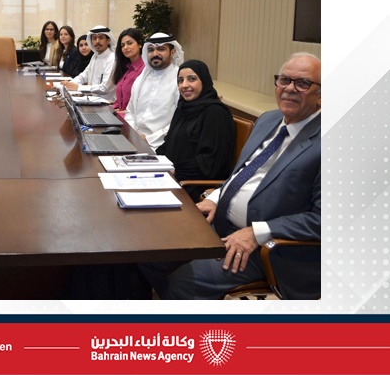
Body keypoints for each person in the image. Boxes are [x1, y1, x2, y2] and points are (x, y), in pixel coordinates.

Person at [140, 53, 321, 300]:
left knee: (182, 283)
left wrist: (257, 232)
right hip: (220, 222)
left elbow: (324, 219)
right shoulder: (269, 119)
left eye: (303, 83)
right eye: (284, 80)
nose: (290, 88)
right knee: (148, 252)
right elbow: (244, 173)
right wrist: (215, 198)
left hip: (266, 248)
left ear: (321, 94)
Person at [156, 60, 234, 202]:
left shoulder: (216, 113)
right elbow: (168, 144)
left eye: (191, 79)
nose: (184, 85)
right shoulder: (183, 107)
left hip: (194, 186)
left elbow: (211, 163)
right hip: (171, 178)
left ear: (204, 81)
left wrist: (175, 170)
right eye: (180, 80)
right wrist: (153, 162)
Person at [124, 32, 184, 149]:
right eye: (150, 50)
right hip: (133, 139)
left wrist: (148, 139)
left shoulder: (180, 80)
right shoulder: (142, 77)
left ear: (172, 52)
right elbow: (130, 111)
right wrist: (133, 134)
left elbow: (179, 122)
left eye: (161, 49)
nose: (155, 54)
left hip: (161, 144)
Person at [60, 25, 116, 102]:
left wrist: (78, 87)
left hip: (107, 103)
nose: (97, 41)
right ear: (91, 41)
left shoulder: (112, 58)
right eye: (94, 38)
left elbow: (104, 88)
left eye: (101, 38)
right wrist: (69, 84)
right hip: (92, 100)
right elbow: (84, 76)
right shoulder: (95, 56)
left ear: (108, 40)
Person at [109, 28, 145, 113]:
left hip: (133, 118)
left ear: (140, 44)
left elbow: (144, 103)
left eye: (129, 43)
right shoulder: (126, 68)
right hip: (121, 116)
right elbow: (120, 101)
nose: (125, 47)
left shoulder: (145, 69)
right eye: (122, 45)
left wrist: (123, 112)